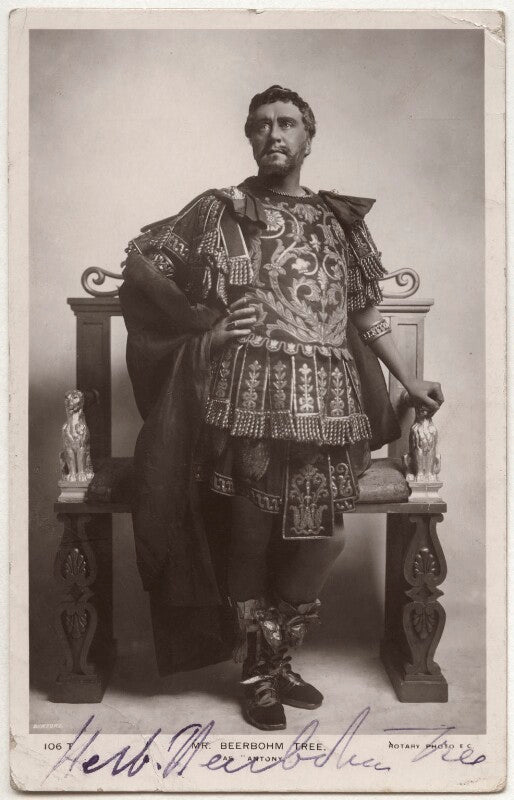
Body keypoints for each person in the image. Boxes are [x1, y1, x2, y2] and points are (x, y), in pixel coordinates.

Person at [119, 85, 444, 731]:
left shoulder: (338, 220)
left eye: (288, 123)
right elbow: (145, 272)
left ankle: (276, 656)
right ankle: (257, 673)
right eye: (262, 124)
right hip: (248, 395)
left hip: (328, 401)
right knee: (249, 531)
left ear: (308, 138)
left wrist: (408, 380)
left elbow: (364, 312)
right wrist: (206, 329)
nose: (274, 133)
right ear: (250, 137)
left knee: (324, 536)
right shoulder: (219, 210)